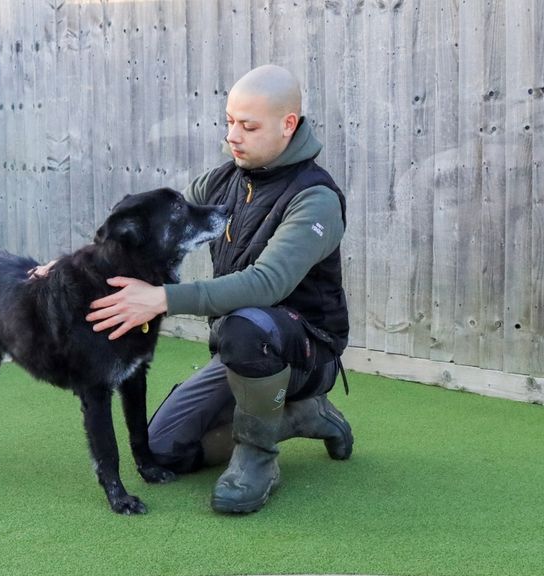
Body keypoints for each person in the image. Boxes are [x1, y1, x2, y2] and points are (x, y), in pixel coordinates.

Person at [37, 64, 353, 514]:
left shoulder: (314, 197)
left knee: (246, 326)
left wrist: (162, 298)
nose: (233, 136)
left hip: (307, 352)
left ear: (288, 125)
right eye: (229, 122)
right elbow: (151, 227)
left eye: (248, 125)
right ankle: (302, 416)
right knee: (163, 449)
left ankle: (258, 458)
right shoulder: (223, 181)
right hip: (239, 350)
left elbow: (267, 284)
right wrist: (69, 266)